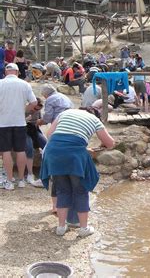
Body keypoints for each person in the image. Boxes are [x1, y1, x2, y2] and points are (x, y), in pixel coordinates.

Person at [40, 108, 115, 237]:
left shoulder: (65, 113)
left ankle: (61, 227)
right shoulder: (95, 120)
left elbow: (49, 135)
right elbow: (110, 144)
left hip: (54, 152)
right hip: (75, 155)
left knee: (62, 190)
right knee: (81, 190)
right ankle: (83, 228)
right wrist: (100, 143)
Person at [0, 63, 37, 190]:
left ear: (6, 72)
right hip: (20, 121)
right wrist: (24, 109)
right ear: (17, 72)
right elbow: (34, 102)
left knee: (5, 151)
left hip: (3, 122)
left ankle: (9, 181)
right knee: (20, 151)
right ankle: (21, 180)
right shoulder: (25, 84)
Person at [25, 97, 47, 186]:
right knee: (29, 148)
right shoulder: (24, 109)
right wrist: (26, 119)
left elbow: (39, 121)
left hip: (34, 130)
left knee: (47, 146)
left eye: (38, 109)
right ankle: (30, 173)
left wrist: (41, 121)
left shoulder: (38, 110)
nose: (35, 111)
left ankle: (48, 172)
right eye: (35, 108)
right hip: (24, 130)